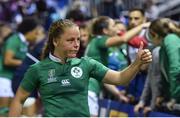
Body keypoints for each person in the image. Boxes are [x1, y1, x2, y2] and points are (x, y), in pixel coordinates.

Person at [9, 19, 152, 117]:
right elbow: (18, 100)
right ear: (55, 41)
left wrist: (137, 63)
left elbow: (120, 79)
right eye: (70, 40)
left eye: (78, 39)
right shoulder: (37, 69)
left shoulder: (87, 64)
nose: (77, 44)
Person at [85, 16, 150, 116]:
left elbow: (104, 77)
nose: (117, 29)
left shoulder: (95, 43)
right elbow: (123, 39)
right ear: (105, 30)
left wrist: (118, 94)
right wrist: (142, 26)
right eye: (114, 25)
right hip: (89, 92)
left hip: (89, 92)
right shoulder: (99, 40)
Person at [0, 17, 39, 116]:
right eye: (35, 32)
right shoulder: (15, 40)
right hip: (4, 79)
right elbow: (7, 60)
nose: (37, 35)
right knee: (3, 112)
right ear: (29, 31)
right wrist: (25, 63)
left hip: (12, 79)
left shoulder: (25, 43)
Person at [147, 18, 180, 115]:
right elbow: (165, 77)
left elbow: (176, 69)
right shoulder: (162, 49)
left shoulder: (171, 39)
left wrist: (174, 97)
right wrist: (164, 96)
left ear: (154, 34)